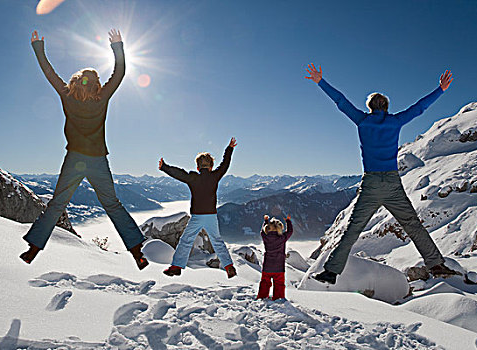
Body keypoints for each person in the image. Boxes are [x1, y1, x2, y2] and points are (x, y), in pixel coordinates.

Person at [304, 64, 456, 284]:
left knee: (353, 228)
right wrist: (440, 90)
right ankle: (436, 264)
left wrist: (321, 81)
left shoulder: (363, 121)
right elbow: (419, 108)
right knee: (412, 225)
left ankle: (331, 272)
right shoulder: (395, 122)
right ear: (386, 107)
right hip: (393, 183)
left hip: (372, 184)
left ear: (370, 107)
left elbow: (341, 102)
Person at [20, 29, 148, 270]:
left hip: (74, 159)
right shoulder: (102, 98)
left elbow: (49, 72)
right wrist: (117, 46)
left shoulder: (67, 96)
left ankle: (33, 249)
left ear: (76, 82)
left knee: (57, 204)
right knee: (112, 205)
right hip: (98, 160)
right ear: (97, 84)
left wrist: (38, 47)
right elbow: (119, 73)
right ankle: (137, 252)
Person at [158, 138, 238, 278]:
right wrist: (229, 149)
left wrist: (164, 167)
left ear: (197, 167)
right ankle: (229, 266)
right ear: (211, 166)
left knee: (186, 240)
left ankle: (176, 267)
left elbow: (179, 173)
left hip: (197, 216)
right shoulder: (215, 176)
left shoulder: (193, 177)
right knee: (217, 241)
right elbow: (225, 164)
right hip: (211, 215)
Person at [257, 215, 293, 300]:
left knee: (265, 283)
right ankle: (278, 298)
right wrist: (288, 221)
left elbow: (262, 232)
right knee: (279, 284)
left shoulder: (265, 237)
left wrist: (265, 221)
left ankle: (262, 297)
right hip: (279, 267)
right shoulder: (282, 238)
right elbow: (290, 231)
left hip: (267, 266)